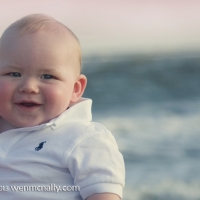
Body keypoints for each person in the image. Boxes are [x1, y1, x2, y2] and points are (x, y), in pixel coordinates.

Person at [0, 14, 125, 200]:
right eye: (14, 73)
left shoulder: (82, 138)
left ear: (75, 89)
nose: (28, 87)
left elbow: (104, 194)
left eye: (47, 76)